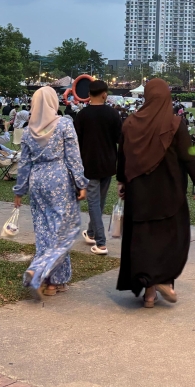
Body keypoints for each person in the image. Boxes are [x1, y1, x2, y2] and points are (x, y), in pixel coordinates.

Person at [117, 79, 195, 308]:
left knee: (144, 240)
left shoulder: (129, 124)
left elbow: (123, 155)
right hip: (169, 194)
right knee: (171, 239)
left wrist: (121, 180)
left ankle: (149, 293)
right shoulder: (175, 124)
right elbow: (189, 154)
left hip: (139, 195)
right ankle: (164, 280)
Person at [13, 87, 87, 299]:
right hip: (59, 179)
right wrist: (81, 183)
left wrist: (19, 190)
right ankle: (47, 276)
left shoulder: (28, 131)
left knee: (44, 229)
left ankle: (49, 277)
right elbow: (73, 157)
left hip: (38, 179)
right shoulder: (64, 124)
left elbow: (24, 163)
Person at [74, 79, 122, 256]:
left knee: (95, 203)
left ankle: (100, 243)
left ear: (88, 95)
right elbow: (120, 139)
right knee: (98, 201)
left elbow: (76, 143)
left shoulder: (82, 116)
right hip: (108, 163)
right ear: (104, 94)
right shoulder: (113, 114)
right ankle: (92, 232)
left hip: (89, 164)